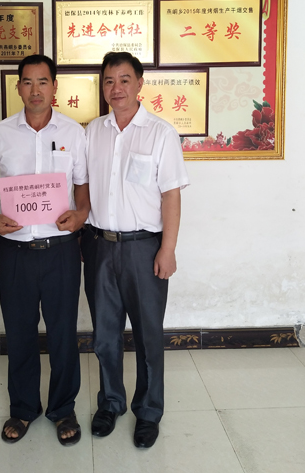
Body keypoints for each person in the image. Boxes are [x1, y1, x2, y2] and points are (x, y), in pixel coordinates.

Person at [0, 54, 89, 446]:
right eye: (27, 82)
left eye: (42, 81)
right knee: (20, 333)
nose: (35, 90)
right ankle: (23, 408)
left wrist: (81, 214)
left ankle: (63, 409)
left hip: (61, 251)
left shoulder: (73, 132)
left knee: (62, 334)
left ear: (55, 87)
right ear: (18, 87)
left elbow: (82, 185)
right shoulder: (2, 133)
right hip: (16, 252)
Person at [83, 51, 189, 449]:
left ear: (140, 83)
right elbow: (80, 185)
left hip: (145, 249)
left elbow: (171, 195)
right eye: (109, 81)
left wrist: (168, 249)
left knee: (148, 336)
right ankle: (111, 403)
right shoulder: (92, 132)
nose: (117, 88)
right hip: (99, 246)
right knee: (105, 335)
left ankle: (148, 411)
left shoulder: (160, 133)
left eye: (124, 80)